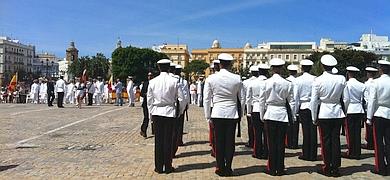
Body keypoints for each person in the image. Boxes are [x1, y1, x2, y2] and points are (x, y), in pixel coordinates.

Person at [204, 53, 245, 177]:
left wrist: (208, 116)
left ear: (220, 64)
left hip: (217, 112)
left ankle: (220, 167)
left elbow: (206, 99)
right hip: (232, 113)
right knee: (230, 142)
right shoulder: (237, 78)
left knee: (219, 141)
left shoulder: (211, 78)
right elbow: (242, 99)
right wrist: (240, 113)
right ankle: (228, 167)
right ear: (231, 64)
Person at [310, 54, 348, 177]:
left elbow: (314, 101)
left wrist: (314, 116)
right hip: (337, 111)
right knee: (335, 140)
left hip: (324, 112)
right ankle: (335, 167)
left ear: (322, 66)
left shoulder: (318, 80)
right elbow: (346, 98)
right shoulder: (341, 79)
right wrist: (344, 111)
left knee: (325, 141)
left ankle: (327, 166)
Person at [147, 59, 184, 174]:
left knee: (158, 141)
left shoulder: (153, 82)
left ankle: (158, 167)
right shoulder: (174, 81)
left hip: (157, 111)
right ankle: (168, 166)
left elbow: (149, 100)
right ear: (168, 68)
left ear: (158, 67)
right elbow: (182, 99)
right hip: (169, 111)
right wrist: (180, 111)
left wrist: (150, 114)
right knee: (168, 140)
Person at [259, 58, 295, 176]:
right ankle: (280, 168)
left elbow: (262, 101)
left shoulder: (266, 82)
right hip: (282, 114)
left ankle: (272, 167)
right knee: (280, 143)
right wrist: (293, 116)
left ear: (272, 69)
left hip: (270, 113)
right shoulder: (287, 83)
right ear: (281, 68)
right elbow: (292, 102)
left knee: (271, 143)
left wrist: (261, 115)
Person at [367, 60, 390, 176]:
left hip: (379, 113)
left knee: (379, 143)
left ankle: (380, 167)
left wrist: (369, 117)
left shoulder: (375, 82)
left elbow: (372, 101)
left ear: (380, 70)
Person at [294, 60, 317, 161]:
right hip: (313, 106)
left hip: (303, 106)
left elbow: (295, 97)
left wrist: (294, 112)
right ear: (311, 68)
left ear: (302, 68)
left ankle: (306, 153)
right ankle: (313, 153)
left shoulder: (298, 80)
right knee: (313, 131)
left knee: (305, 132)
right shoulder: (315, 79)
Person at [342, 66, 365, 160]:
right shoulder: (361, 85)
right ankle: (357, 152)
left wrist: (345, 110)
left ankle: (351, 151)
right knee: (357, 132)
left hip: (350, 109)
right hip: (359, 109)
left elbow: (346, 99)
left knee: (350, 133)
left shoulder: (346, 84)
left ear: (348, 73)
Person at [246, 65, 267, 159]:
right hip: (267, 109)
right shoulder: (268, 82)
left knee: (257, 132)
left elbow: (248, 98)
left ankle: (257, 151)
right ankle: (266, 151)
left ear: (258, 72)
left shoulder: (253, 83)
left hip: (256, 108)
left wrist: (248, 111)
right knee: (267, 133)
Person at [172, 65, 189, 156]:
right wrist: (185, 106)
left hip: (172, 106)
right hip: (180, 105)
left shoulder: (171, 79)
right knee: (180, 125)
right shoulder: (183, 81)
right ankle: (179, 140)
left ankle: (176, 141)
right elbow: (185, 95)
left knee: (173, 127)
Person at [362, 67, 378, 150]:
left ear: (368, 74)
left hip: (368, 107)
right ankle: (374, 142)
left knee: (368, 127)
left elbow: (366, 97)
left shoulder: (366, 84)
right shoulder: (376, 82)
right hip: (377, 108)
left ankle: (369, 143)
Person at [243, 66, 257, 148]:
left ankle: (251, 141)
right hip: (260, 106)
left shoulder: (246, 82)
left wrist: (247, 110)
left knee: (250, 125)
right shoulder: (262, 81)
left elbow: (245, 96)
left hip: (249, 105)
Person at [286, 64, 299, 149]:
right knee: (296, 126)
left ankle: (288, 142)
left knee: (288, 126)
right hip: (297, 103)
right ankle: (294, 142)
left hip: (288, 104)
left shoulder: (286, 80)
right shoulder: (298, 80)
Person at [140, 72, 153, 137]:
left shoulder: (154, 83)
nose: (149, 77)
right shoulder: (145, 84)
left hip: (153, 103)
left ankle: (154, 131)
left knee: (154, 118)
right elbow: (141, 93)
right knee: (146, 118)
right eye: (148, 76)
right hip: (146, 103)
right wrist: (145, 94)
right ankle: (143, 130)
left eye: (151, 75)